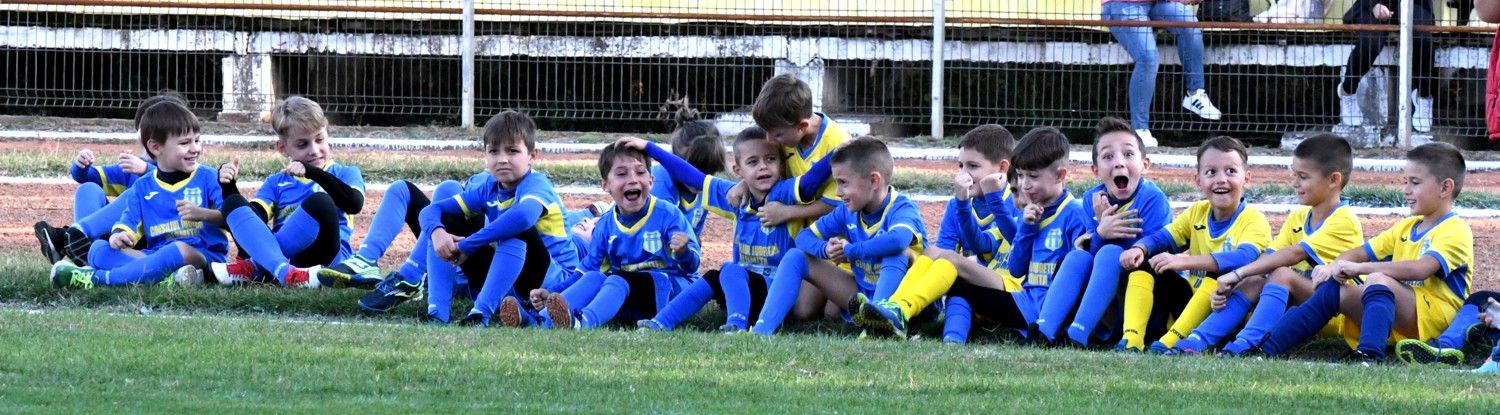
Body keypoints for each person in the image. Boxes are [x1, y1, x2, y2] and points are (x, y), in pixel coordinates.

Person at [1260, 142, 1472, 363]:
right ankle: (1268, 348)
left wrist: (1359, 269)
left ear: (1445, 188)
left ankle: (1369, 355)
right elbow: (1358, 253)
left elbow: (1420, 269)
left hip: (1436, 320)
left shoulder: (1455, 229)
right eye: (1405, 182)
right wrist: (1334, 268)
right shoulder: (1406, 227)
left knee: (1378, 279)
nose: (1406, 190)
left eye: (1415, 183)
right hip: (1403, 314)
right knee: (1334, 290)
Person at [627, 128, 832, 332]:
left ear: (781, 164)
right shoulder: (735, 197)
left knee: (730, 269)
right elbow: (693, 177)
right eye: (753, 162)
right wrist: (649, 147)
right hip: (741, 287)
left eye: (770, 159)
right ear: (738, 171)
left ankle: (736, 325)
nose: (763, 167)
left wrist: (838, 151)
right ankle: (661, 322)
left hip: (775, 293)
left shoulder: (785, 193)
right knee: (712, 277)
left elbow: (811, 179)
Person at [1182, 133, 1364, 356]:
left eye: (1303, 177)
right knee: (1257, 277)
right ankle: (1197, 339)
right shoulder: (1298, 217)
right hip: (1303, 305)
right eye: (1294, 174)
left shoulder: (1344, 219)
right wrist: (1235, 285)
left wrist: (1237, 274)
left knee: (1280, 274)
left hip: (1336, 315)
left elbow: (1293, 254)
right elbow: (1267, 257)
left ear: (1333, 180)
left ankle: (1247, 344)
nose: (1294, 182)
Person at [416, 110, 584, 326]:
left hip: (553, 282)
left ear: (532, 155)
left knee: (514, 228)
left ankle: (480, 314)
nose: (502, 159)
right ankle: (438, 313)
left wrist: (468, 245)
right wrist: (438, 234)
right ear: (485, 155)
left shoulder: (537, 184)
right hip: (512, 271)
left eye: (512, 151)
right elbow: (429, 211)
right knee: (447, 219)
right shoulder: (489, 187)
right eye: (494, 151)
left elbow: (523, 218)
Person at [749, 137, 928, 337]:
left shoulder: (902, 208)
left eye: (843, 183)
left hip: (907, 307)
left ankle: (880, 326)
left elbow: (898, 240)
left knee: (897, 252)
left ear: (874, 180)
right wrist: (825, 249)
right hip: (862, 292)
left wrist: (851, 251)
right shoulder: (847, 211)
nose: (838, 192)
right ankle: (761, 331)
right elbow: (804, 237)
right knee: (796, 256)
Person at [854, 124, 1017, 340]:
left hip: (1004, 286)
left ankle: (901, 310)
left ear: (1002, 168)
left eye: (973, 166)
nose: (963, 174)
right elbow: (942, 251)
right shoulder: (955, 205)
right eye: (960, 166)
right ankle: (893, 308)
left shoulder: (1016, 201)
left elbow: (981, 245)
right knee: (931, 252)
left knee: (948, 260)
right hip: (969, 284)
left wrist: (962, 205)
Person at [1117, 136, 1272, 354]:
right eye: (1211, 172)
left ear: (1246, 178)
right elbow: (1162, 237)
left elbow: (1244, 257)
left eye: (1230, 171)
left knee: (1215, 277)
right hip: (1192, 303)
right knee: (1146, 266)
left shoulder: (1254, 219)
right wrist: (1139, 248)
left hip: (1226, 309)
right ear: (1198, 180)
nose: (1221, 179)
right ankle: (1131, 340)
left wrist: (1183, 261)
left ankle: (1171, 341)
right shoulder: (1196, 212)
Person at [49, 100, 227, 288]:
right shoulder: (143, 186)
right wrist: (118, 235)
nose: (195, 148)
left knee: (175, 251)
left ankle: (96, 280)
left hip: (202, 256)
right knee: (98, 251)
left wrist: (202, 214)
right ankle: (165, 279)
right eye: (185, 143)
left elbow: (231, 218)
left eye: (197, 140)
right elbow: (127, 222)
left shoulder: (208, 177)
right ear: (156, 147)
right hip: (153, 255)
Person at [1030, 117, 1174, 348]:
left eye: (1128, 155)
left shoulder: (1153, 199)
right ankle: (1044, 330)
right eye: (1108, 156)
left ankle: (1078, 334)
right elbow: (1093, 254)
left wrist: (1111, 239)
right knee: (1077, 256)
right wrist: (1100, 233)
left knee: (1109, 253)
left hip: (1144, 299)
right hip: (1107, 300)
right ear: (1096, 170)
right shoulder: (1092, 199)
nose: (1118, 163)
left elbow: (1158, 252)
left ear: (1145, 165)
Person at [534, 142, 701, 330]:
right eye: (622, 174)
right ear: (605, 185)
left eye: (640, 172)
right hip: (626, 293)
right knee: (594, 278)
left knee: (616, 278)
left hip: (668, 294)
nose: (633, 180)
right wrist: (553, 292)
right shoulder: (605, 225)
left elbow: (691, 268)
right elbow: (585, 270)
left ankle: (583, 322)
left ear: (651, 180)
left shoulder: (668, 214)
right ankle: (540, 320)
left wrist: (684, 252)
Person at [209, 96, 364, 288]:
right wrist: (228, 186)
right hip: (288, 261)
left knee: (320, 202)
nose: (314, 150)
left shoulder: (346, 173)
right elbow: (252, 219)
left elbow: (354, 204)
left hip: (326, 259)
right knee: (232, 203)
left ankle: (257, 267)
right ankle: (285, 273)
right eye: (302, 144)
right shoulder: (276, 182)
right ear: (283, 148)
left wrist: (313, 173)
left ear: (328, 133)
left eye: (319, 139)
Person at [35, 94, 176, 265]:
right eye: (145, 129)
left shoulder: (184, 169)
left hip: (154, 241)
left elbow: (170, 185)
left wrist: (146, 170)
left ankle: (67, 239)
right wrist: (81, 165)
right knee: (88, 189)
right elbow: (88, 177)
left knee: (139, 190)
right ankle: (85, 248)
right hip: (121, 236)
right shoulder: (131, 166)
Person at [1102, 0, 1224, 147]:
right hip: (1122, 4)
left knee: (1190, 23)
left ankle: (1195, 93)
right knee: (1148, 58)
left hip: (1157, 3)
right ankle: (1139, 129)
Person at [1337, 0, 1438, 132]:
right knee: (1370, 43)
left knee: (1424, 39)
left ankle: (1423, 96)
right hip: (1372, 5)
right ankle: (1347, 91)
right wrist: (1373, 5)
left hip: (1413, 4)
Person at [651, 119, 725, 238]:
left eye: (710, 171)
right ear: (675, 163)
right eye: (694, 172)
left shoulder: (706, 186)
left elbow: (694, 239)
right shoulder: (659, 182)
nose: (700, 180)